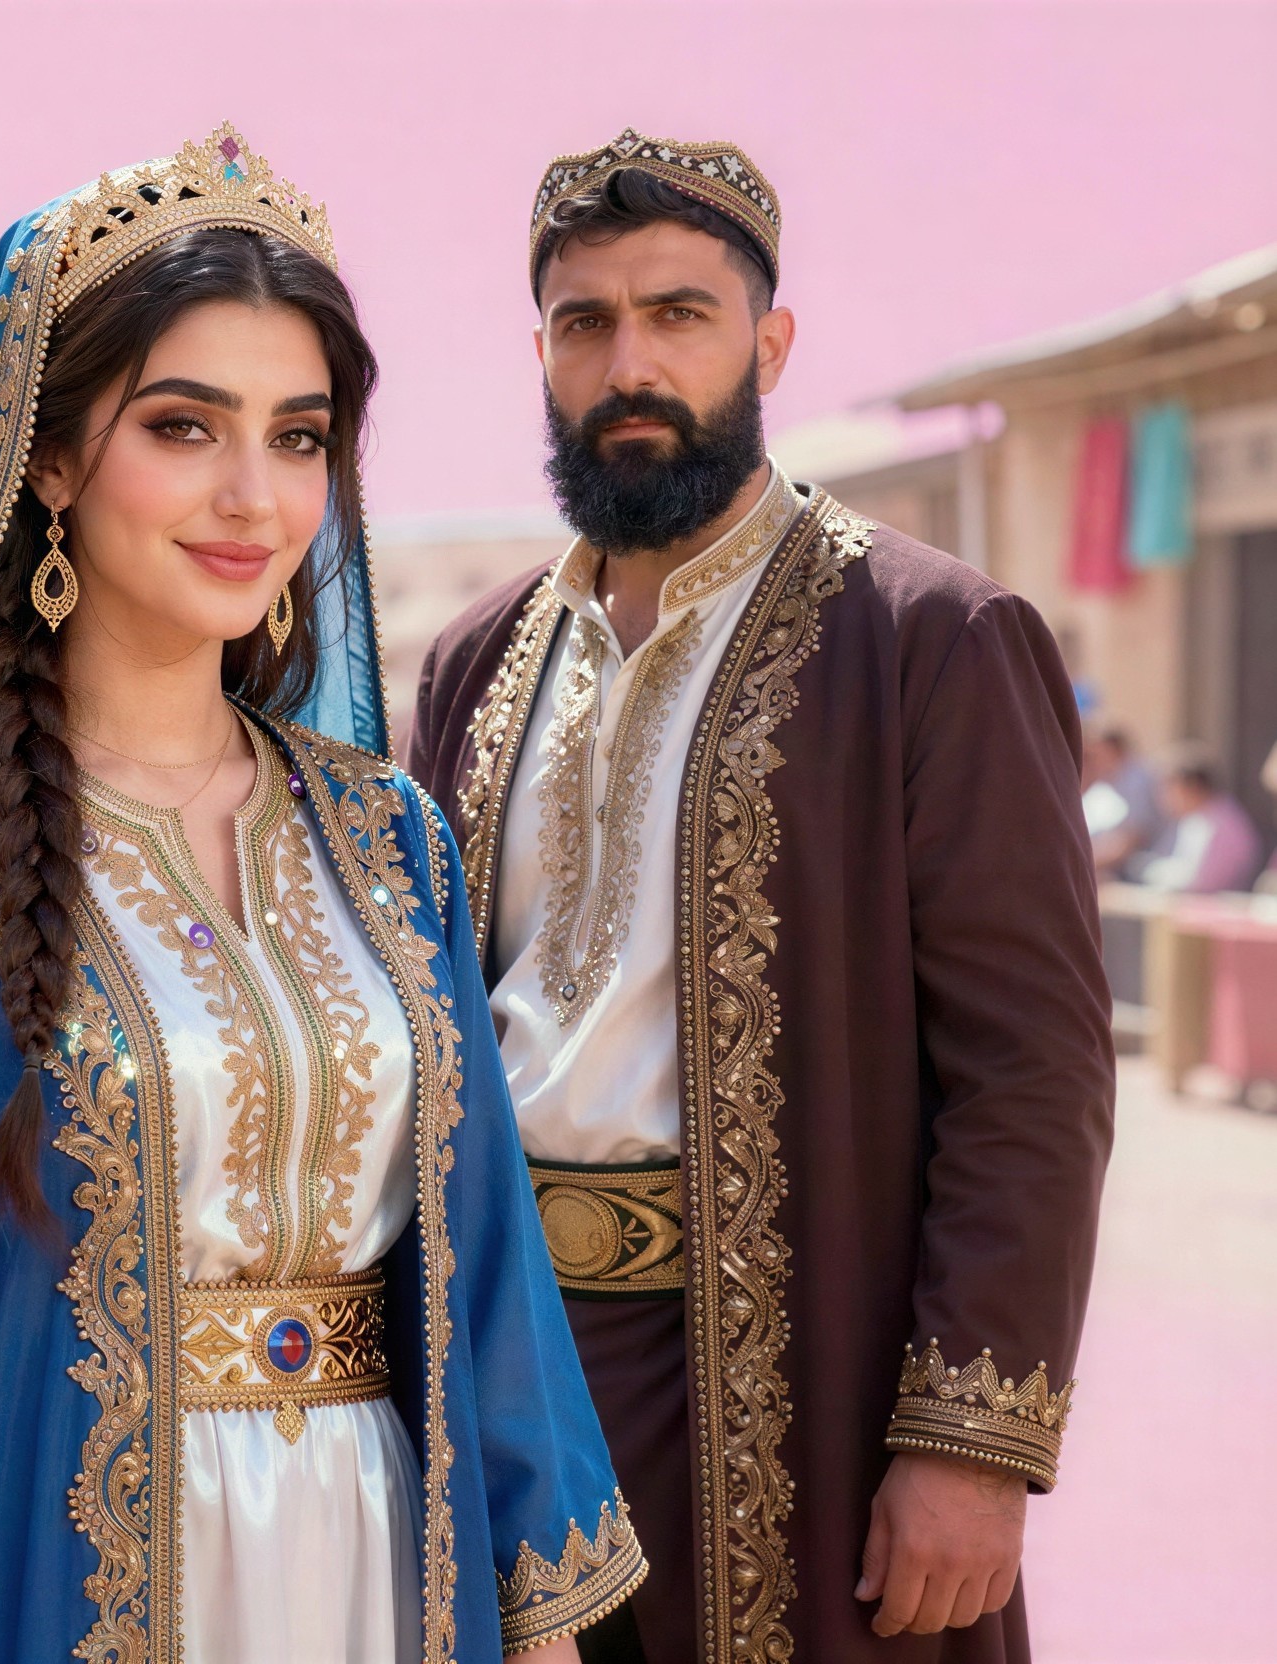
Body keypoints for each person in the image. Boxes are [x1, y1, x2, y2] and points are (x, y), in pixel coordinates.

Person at [0, 126, 642, 1664]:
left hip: (382, 1584)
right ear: (55, 454)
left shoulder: (385, 839)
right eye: (183, 425)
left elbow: (479, 1267)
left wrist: (537, 1621)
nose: (250, 494)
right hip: (49, 1588)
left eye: (297, 436)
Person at [408, 130, 1113, 1663]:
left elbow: (1031, 1067)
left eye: (678, 315)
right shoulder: (473, 663)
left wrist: (968, 1440)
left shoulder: (927, 638)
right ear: (538, 354)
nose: (628, 362)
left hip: (813, 1367)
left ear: (766, 343)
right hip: (511, 1376)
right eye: (584, 324)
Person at [1140, 745, 1262, 893]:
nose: (1163, 797)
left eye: (1169, 788)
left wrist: (1148, 871)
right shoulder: (1196, 820)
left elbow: (1199, 883)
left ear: (1192, 787)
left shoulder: (1218, 823)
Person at [1080, 723, 1165, 877]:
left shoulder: (1137, 780)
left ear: (1114, 751)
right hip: (1111, 867)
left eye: (1095, 754)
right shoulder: (1105, 784)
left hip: (1145, 868)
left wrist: (1082, 865)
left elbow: (1131, 840)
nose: (1091, 762)